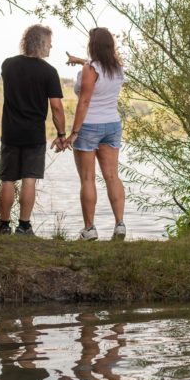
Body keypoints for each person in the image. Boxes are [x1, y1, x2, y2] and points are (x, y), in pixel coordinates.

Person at [0, 24, 68, 236]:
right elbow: (56, 107)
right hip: (34, 135)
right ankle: (24, 225)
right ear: (40, 43)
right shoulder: (49, 72)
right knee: (29, 178)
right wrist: (62, 134)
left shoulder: (8, 65)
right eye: (49, 43)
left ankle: (3, 226)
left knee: (8, 179)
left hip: (10, 132)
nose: (51, 47)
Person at [64, 27, 126, 241]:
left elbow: (85, 101)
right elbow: (98, 71)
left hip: (90, 126)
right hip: (112, 125)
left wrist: (74, 133)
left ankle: (89, 229)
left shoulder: (90, 69)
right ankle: (120, 225)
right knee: (112, 176)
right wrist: (80, 61)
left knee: (88, 178)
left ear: (93, 46)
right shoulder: (117, 68)